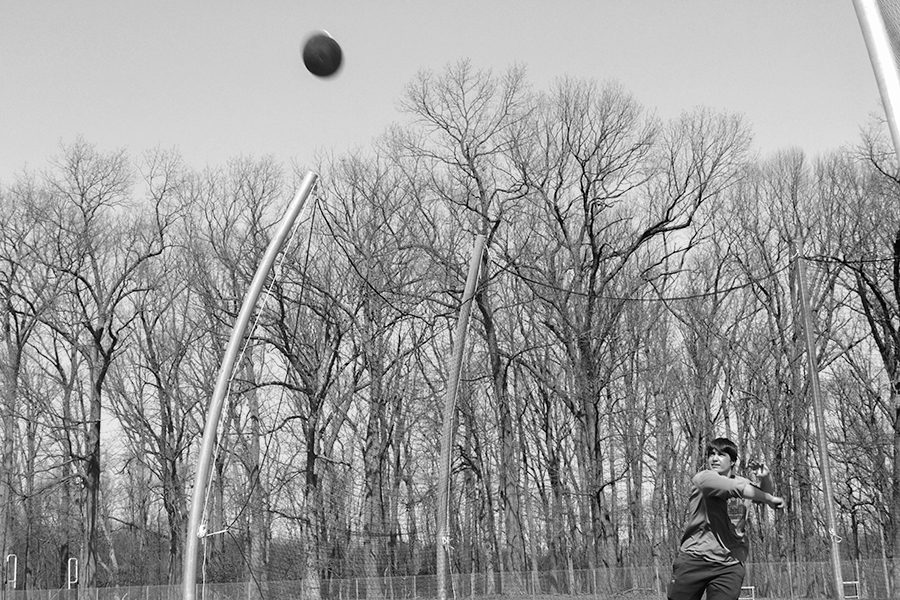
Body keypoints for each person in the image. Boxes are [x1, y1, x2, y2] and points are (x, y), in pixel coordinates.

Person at [667, 437, 785, 600]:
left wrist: (765, 478)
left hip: (729, 564)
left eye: (721, 454)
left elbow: (764, 496)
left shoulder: (743, 482)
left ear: (733, 461)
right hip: (695, 558)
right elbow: (739, 489)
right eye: (711, 454)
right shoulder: (704, 479)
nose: (714, 458)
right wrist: (770, 499)